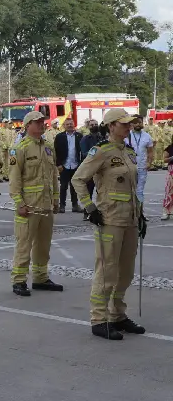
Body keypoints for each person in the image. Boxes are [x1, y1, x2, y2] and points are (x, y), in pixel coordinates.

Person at [71, 109, 146, 340]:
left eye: (129, 124)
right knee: (107, 271)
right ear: (111, 126)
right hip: (110, 219)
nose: (128, 127)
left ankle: (118, 315)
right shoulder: (100, 151)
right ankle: (99, 319)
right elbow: (78, 179)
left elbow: (132, 188)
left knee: (126, 272)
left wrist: (141, 215)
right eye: (123, 124)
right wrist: (89, 207)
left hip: (130, 219)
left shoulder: (130, 152)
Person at [8, 111, 62, 296]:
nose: (42, 125)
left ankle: (41, 277)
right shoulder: (20, 148)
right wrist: (19, 202)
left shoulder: (48, 146)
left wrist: (56, 199)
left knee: (43, 244)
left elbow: (53, 175)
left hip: (46, 205)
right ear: (27, 125)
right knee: (24, 244)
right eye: (37, 122)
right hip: (28, 206)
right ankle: (19, 281)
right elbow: (14, 179)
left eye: (42, 122)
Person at [53, 118, 83, 214]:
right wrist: (58, 164)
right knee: (63, 187)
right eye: (67, 124)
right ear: (64, 126)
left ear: (74, 124)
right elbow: (55, 152)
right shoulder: (59, 137)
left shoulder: (79, 136)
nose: (70, 125)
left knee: (74, 186)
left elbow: (81, 151)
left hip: (76, 164)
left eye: (71, 123)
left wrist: (81, 164)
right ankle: (62, 206)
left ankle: (75, 205)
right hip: (64, 165)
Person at [126, 116, 154, 204]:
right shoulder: (126, 136)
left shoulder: (147, 136)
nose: (138, 124)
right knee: (129, 190)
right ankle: (131, 214)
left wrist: (149, 163)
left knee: (140, 191)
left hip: (142, 167)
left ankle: (140, 214)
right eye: (135, 122)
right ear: (131, 124)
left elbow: (150, 151)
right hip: (129, 167)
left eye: (140, 122)